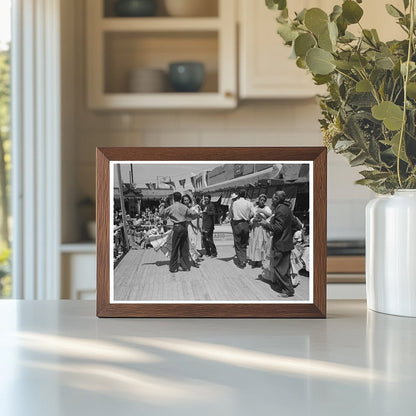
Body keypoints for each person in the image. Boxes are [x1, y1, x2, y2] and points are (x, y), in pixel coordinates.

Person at [260, 190, 301, 297]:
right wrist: (289, 234)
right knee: (284, 268)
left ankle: (289, 290)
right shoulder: (287, 209)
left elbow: (278, 228)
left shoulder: (280, 210)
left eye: (273, 198)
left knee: (280, 269)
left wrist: (266, 224)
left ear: (276, 199)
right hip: (286, 243)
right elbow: (296, 225)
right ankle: (282, 286)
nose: (272, 200)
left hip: (280, 244)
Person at [159, 191, 199, 273]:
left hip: (176, 228)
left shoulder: (171, 207)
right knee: (184, 248)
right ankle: (186, 267)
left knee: (175, 248)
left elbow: (161, 214)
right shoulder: (184, 207)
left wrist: (162, 204)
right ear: (180, 198)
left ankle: (174, 268)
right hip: (184, 228)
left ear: (174, 198)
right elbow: (194, 214)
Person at [230, 188, 256, 268]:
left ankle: (241, 261)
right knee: (244, 243)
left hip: (237, 224)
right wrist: (249, 218)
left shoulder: (234, 203)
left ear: (238, 195)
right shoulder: (249, 203)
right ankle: (244, 259)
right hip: (245, 224)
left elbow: (231, 214)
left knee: (237, 243)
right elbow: (254, 213)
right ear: (245, 195)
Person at [247, 194, 273, 268]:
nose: (262, 201)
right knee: (255, 244)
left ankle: (260, 260)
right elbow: (250, 217)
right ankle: (255, 260)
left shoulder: (267, 208)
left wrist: (262, 211)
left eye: (263, 200)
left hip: (263, 229)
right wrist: (253, 220)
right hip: (256, 228)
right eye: (261, 200)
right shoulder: (255, 208)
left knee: (262, 244)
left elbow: (270, 216)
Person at [182, 194, 202, 268]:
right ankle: (184, 261)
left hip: (190, 227)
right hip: (183, 226)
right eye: (185, 200)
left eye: (187, 200)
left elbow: (195, 216)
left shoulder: (192, 208)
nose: (186, 201)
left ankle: (194, 260)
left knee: (192, 243)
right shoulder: (182, 208)